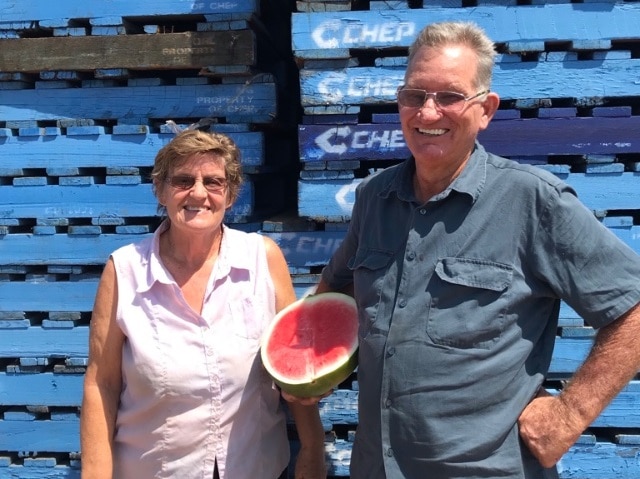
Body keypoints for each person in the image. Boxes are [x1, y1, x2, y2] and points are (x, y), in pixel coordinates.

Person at [285, 21, 640, 478]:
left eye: (449, 97)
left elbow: (632, 308)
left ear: (486, 109)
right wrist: (308, 363)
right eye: (415, 95)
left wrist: (569, 415)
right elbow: (337, 287)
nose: (428, 113)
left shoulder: (533, 201)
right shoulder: (374, 198)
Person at [80, 129, 327, 479]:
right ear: (161, 191)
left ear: (231, 194)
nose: (198, 193)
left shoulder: (262, 259)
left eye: (213, 182)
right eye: (183, 181)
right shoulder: (125, 270)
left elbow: (294, 366)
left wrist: (313, 450)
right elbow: (101, 384)